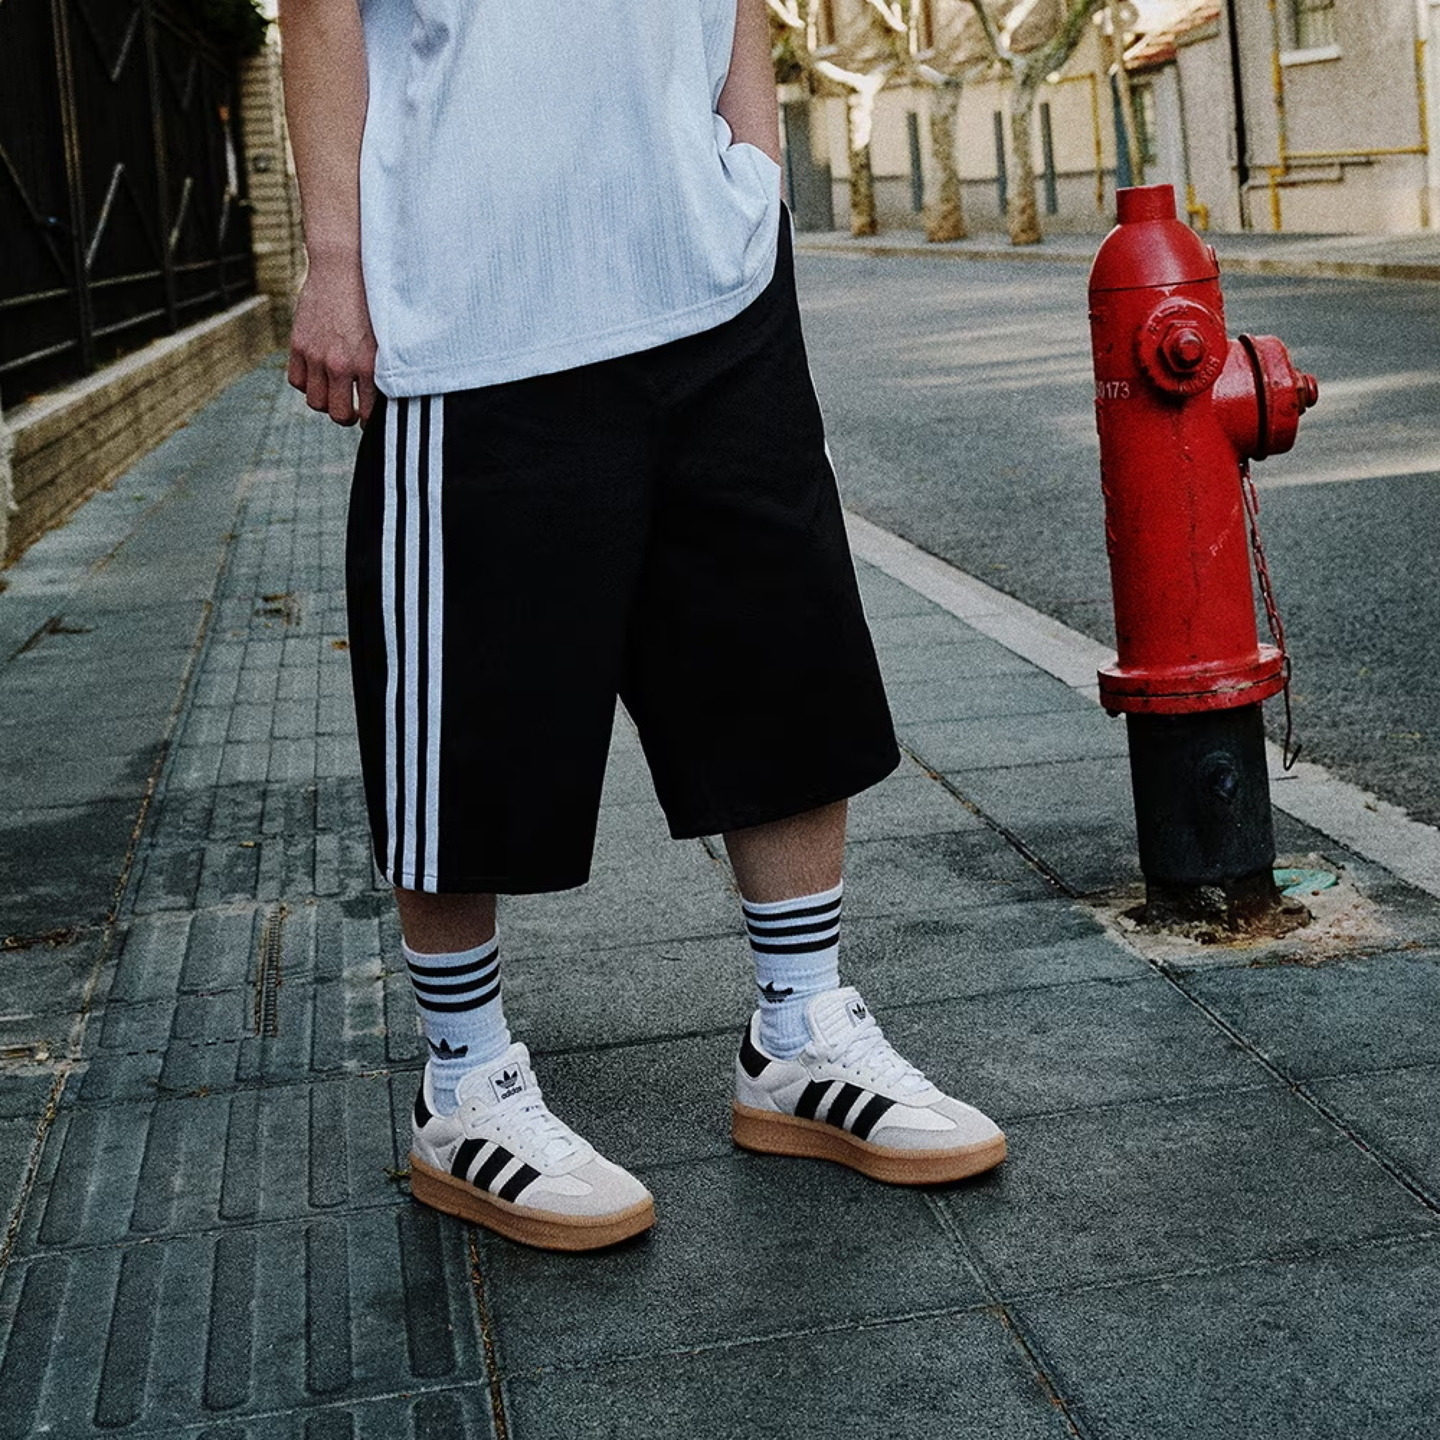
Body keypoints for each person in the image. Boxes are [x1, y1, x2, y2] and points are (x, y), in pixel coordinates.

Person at [279, 0, 1006, 1252]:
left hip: (710, 271)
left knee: (777, 650)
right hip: (479, 292)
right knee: (471, 708)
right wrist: (337, 260)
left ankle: (800, 1031)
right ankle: (463, 1081)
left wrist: (755, 173)